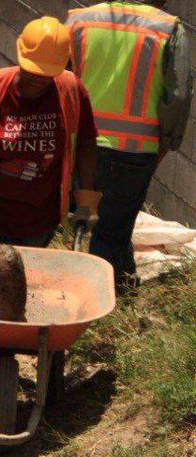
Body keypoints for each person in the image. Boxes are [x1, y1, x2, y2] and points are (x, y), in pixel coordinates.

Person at [0, 16, 101, 402]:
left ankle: (1, 368)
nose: (38, 81)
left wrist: (87, 198)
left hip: (36, 220)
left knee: (14, 299)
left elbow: (88, 144)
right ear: (19, 57)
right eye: (32, 73)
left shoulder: (72, 92)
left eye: (47, 75)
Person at [67, 1, 193, 292]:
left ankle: (123, 286)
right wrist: (167, 143)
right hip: (136, 149)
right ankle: (97, 302)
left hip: (82, 145)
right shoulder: (168, 28)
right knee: (113, 230)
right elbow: (178, 96)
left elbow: (57, 79)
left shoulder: (80, 20)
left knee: (96, 224)